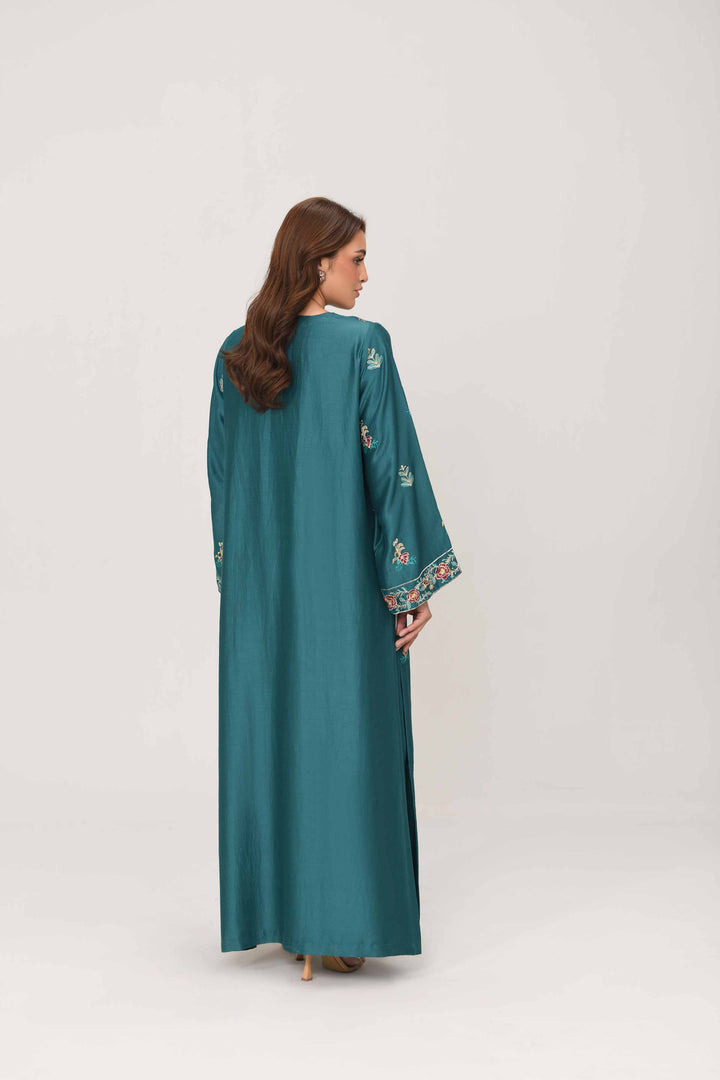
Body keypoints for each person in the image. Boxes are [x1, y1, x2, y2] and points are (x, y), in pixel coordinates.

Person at [206, 196, 462, 982]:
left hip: (262, 603)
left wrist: (242, 587)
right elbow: (393, 473)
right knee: (349, 742)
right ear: (318, 263)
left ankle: (288, 917)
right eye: (356, 258)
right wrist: (410, 583)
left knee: (277, 738)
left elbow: (223, 480)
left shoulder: (236, 355)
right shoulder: (362, 348)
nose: (365, 273)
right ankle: (344, 922)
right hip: (344, 596)